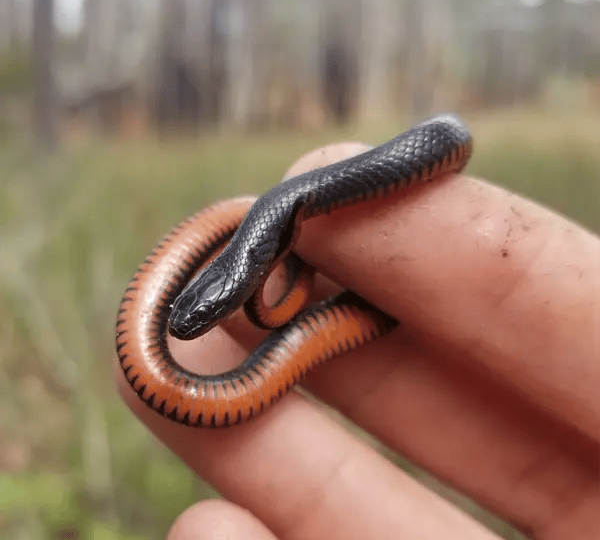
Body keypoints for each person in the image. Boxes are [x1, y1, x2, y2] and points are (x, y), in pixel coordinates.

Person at [118, 142, 599, 540]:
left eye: (206, 315)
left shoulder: (277, 222)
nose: (191, 325)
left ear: (240, 284)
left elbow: (450, 139)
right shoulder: (266, 229)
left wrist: (276, 306)